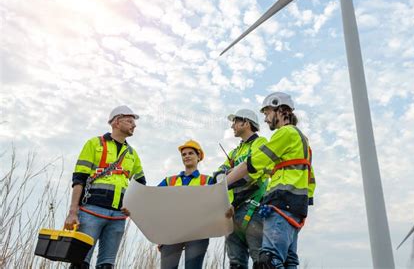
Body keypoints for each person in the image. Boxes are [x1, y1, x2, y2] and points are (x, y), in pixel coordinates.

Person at [226, 92, 316, 269]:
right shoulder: (303, 141)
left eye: (267, 113)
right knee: (289, 262)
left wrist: (224, 183)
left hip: (281, 203)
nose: (266, 120)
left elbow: (254, 163)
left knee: (268, 261)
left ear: (280, 110)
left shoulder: (286, 133)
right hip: (296, 207)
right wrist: (304, 202)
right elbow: (309, 179)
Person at [64, 105, 146, 269]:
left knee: (107, 265)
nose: (134, 125)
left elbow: (141, 185)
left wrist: (133, 208)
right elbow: (79, 179)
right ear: (117, 122)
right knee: (80, 261)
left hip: (118, 216)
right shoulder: (94, 144)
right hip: (91, 212)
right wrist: (73, 211)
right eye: (130, 121)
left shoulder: (132, 154)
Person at [214, 109, 268, 269]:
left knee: (259, 258)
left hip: (254, 208)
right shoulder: (235, 152)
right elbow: (217, 174)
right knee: (236, 263)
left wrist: (230, 177)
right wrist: (230, 174)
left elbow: (255, 172)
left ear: (246, 123)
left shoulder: (261, 143)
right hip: (232, 211)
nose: (232, 126)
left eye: (235, 121)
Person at [157, 140, 212, 269]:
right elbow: (155, 202)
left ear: (199, 157)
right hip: (172, 232)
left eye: (191, 153)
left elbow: (216, 204)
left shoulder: (208, 181)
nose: (186, 156)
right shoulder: (169, 181)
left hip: (198, 232)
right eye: (184, 154)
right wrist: (160, 234)